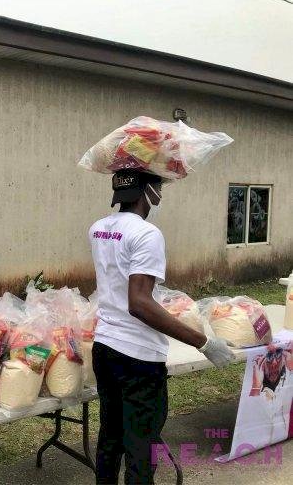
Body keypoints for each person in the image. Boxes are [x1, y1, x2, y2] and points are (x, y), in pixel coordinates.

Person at [89, 169, 233, 484]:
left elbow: (124, 287)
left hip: (105, 348)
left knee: (110, 438)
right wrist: (204, 342)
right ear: (149, 192)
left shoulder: (98, 228)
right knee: (141, 448)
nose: (161, 193)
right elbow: (139, 303)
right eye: (159, 186)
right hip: (137, 358)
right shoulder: (147, 233)